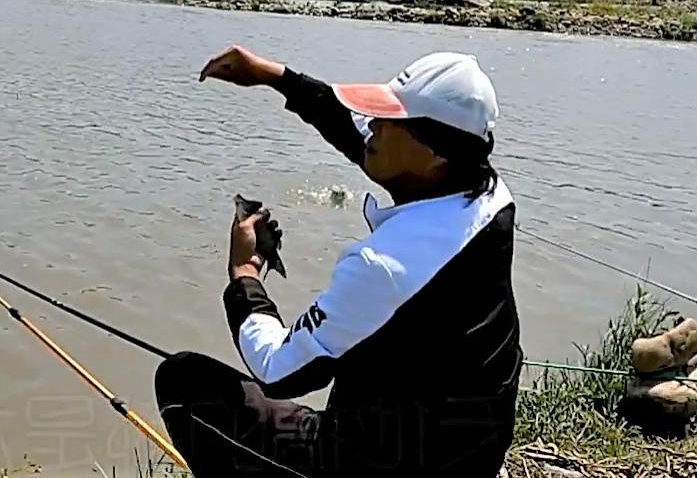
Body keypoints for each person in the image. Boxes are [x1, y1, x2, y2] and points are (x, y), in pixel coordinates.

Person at [153, 45, 520, 478]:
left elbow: (277, 368)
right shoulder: (489, 198)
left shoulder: (383, 265)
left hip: (381, 464)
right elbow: (359, 137)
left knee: (183, 382)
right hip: (466, 454)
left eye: (387, 122)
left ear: (434, 153)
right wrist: (276, 77)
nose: (372, 129)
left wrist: (244, 274)